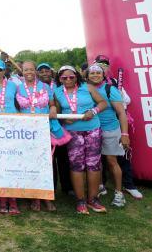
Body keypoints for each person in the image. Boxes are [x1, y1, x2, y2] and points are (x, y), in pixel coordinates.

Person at [54, 65, 108, 215]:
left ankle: (93, 199)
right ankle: (80, 200)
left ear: (77, 76)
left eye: (71, 76)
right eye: (64, 77)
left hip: (92, 129)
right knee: (76, 165)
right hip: (73, 133)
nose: (68, 79)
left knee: (93, 164)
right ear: (59, 79)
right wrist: (64, 121)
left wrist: (93, 111)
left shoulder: (87, 87)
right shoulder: (57, 92)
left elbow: (103, 103)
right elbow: (56, 113)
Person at [13, 61, 60, 213]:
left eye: (31, 69)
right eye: (26, 69)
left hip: (43, 128)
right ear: (22, 71)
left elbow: (52, 104)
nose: (29, 72)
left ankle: (47, 198)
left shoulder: (46, 87)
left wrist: (53, 108)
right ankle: (35, 197)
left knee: (47, 164)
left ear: (36, 71)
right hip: (26, 131)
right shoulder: (18, 88)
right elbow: (16, 107)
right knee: (30, 163)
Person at [87, 64, 130, 207]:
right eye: (92, 73)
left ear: (103, 74)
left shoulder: (110, 89)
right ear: (87, 75)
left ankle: (119, 193)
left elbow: (121, 113)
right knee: (96, 161)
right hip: (93, 130)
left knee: (112, 161)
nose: (94, 75)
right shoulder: (86, 89)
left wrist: (124, 134)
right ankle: (100, 187)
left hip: (110, 129)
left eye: (97, 73)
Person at [37, 62, 71, 196]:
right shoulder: (38, 88)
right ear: (38, 74)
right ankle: (52, 187)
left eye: (47, 71)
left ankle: (67, 187)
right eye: (41, 71)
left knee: (63, 159)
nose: (44, 73)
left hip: (60, 127)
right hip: (45, 128)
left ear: (51, 72)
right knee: (49, 160)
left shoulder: (60, 86)